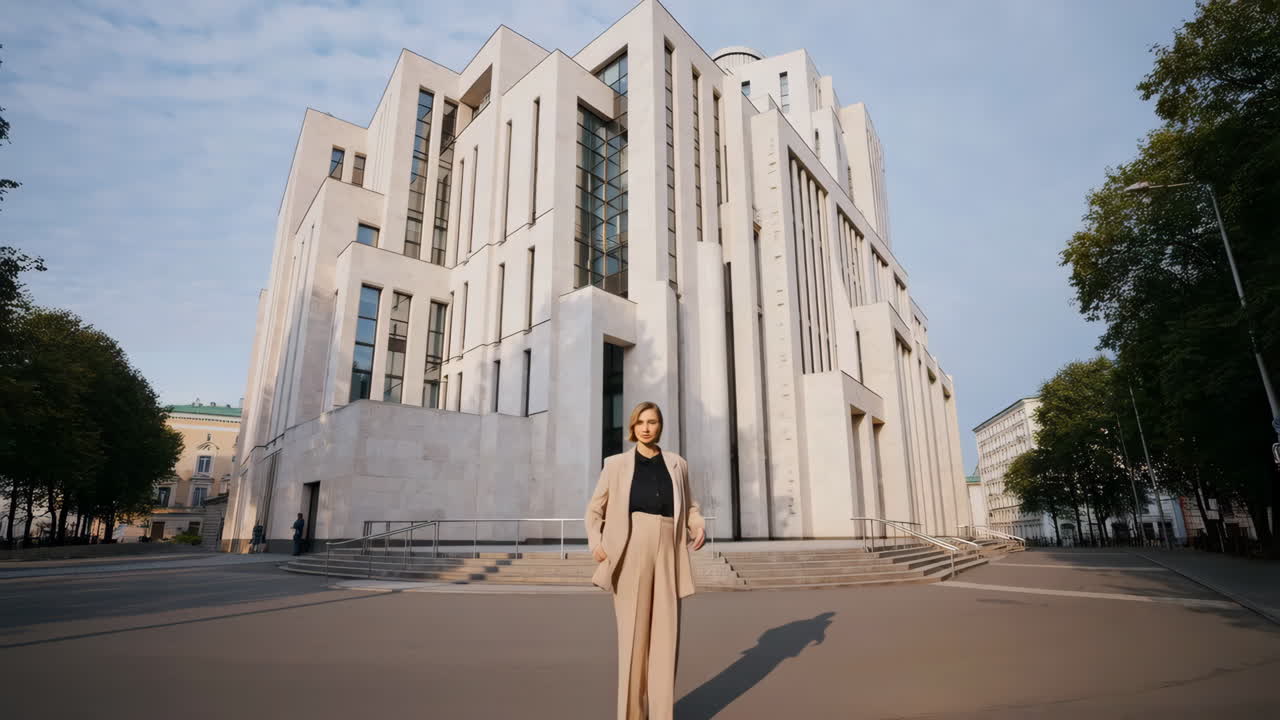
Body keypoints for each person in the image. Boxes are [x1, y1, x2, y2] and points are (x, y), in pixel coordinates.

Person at [585, 401, 706, 720]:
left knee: (666, 640)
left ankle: (662, 715)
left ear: (660, 426)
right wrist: (597, 543)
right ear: (632, 427)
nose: (646, 427)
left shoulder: (678, 464)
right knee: (633, 639)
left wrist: (698, 525)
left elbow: (691, 506)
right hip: (630, 549)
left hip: (668, 549)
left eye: (652, 422)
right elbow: (594, 510)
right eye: (641, 422)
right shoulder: (615, 465)